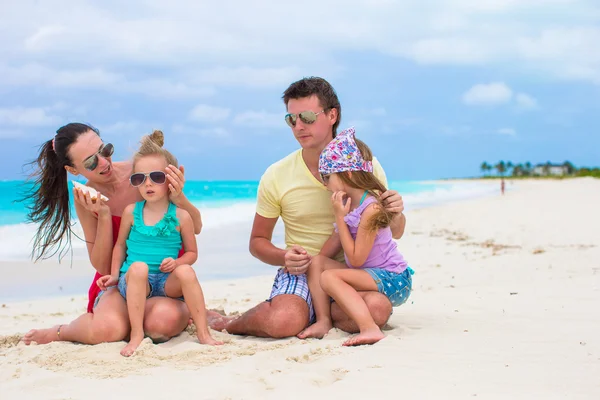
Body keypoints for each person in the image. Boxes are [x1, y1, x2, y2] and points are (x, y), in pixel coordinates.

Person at [208, 77, 407, 338]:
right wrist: (285, 257)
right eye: (291, 119)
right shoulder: (277, 174)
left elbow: (396, 231)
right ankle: (229, 322)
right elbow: (257, 242)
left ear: (332, 115)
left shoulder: (362, 165)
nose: (298, 126)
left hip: (354, 273)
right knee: (283, 320)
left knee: (377, 310)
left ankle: (321, 314)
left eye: (307, 117)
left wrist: (396, 211)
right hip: (306, 271)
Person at [22, 123, 202, 346]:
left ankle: (144, 320)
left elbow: (195, 227)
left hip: (165, 276)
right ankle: (62, 331)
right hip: (120, 280)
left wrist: (179, 197)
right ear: (73, 170)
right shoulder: (85, 198)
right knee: (107, 330)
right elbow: (102, 266)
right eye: (91, 161)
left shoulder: (141, 173)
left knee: (161, 325)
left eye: (105, 150)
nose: (104, 162)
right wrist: (104, 216)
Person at [97, 131, 222, 356]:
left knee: (186, 272)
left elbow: (192, 253)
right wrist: (115, 275)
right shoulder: (131, 212)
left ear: (171, 178)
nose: (148, 183)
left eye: (156, 177)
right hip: (135, 282)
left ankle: (204, 333)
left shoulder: (181, 216)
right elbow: (120, 247)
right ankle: (136, 336)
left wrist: (177, 263)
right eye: (139, 178)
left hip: (167, 282)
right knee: (138, 267)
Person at [303, 127, 413, 346]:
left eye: (327, 177)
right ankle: (323, 320)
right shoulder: (350, 204)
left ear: (348, 174)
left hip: (393, 278)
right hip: (368, 274)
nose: (325, 185)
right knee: (318, 264)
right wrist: (309, 266)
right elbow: (333, 247)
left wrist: (339, 216)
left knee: (329, 277)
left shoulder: (370, 208)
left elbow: (355, 260)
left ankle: (369, 328)